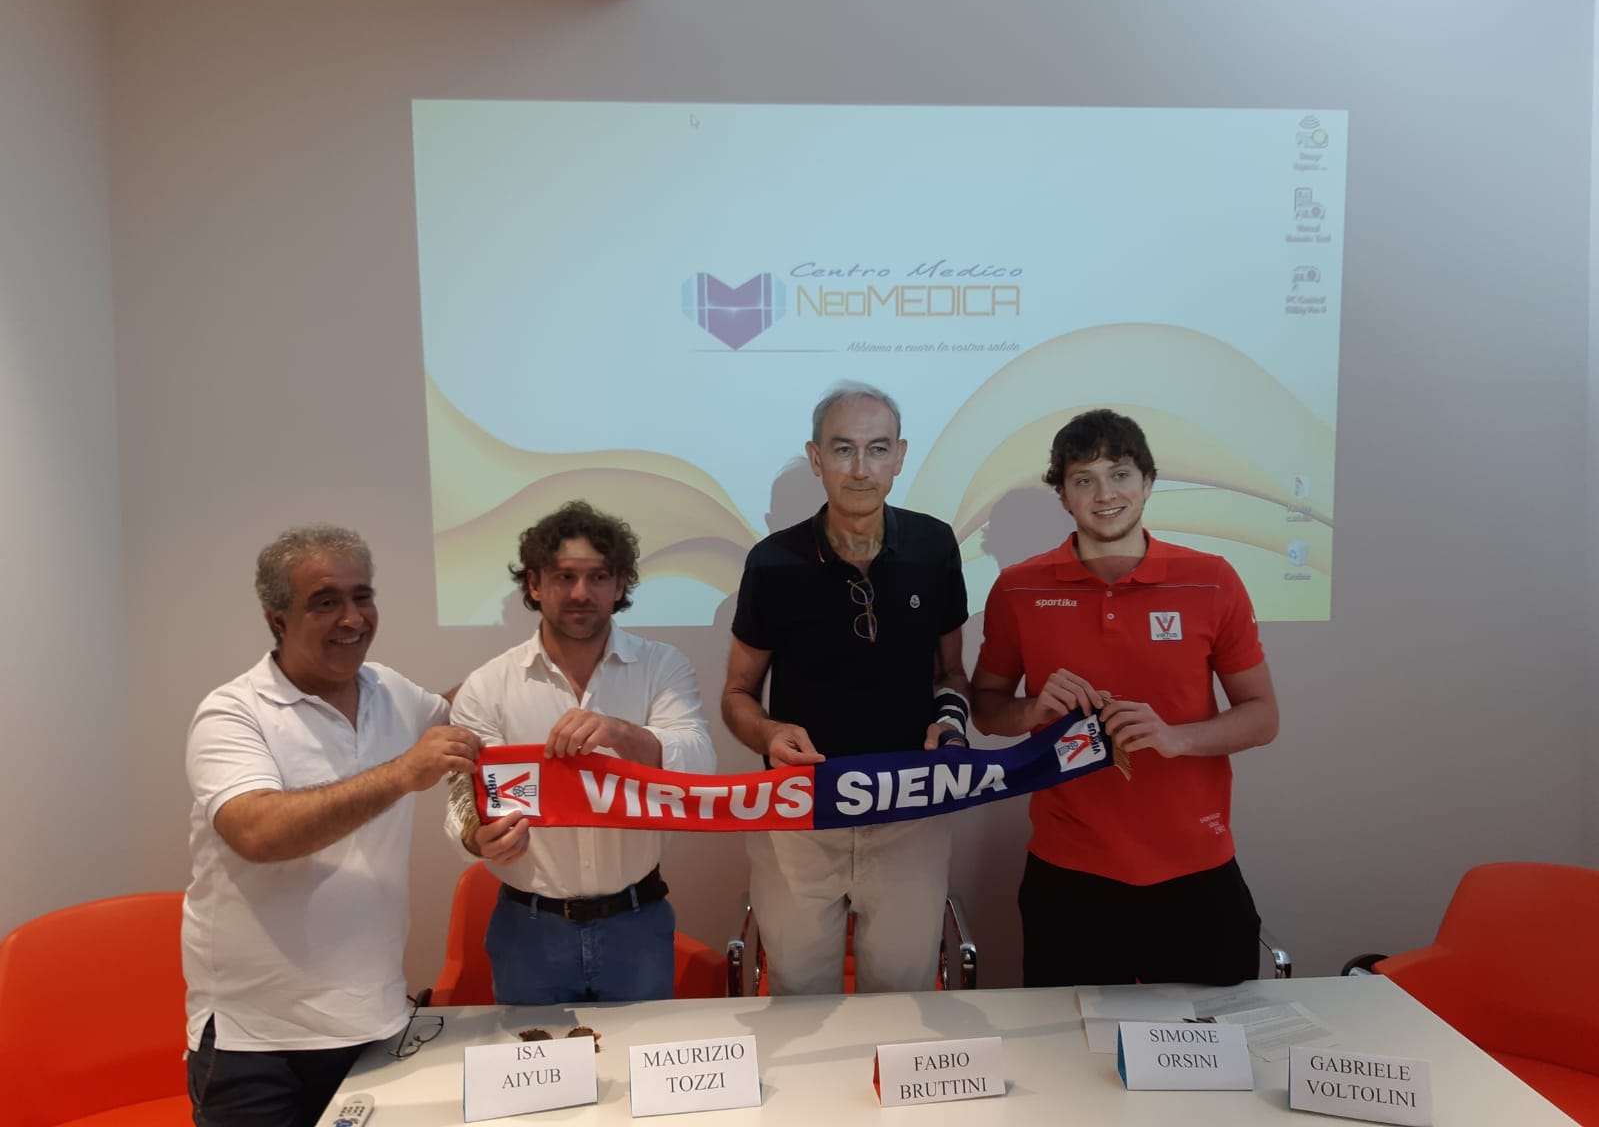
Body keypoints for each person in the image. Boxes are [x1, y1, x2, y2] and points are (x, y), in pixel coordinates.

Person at [183, 525, 480, 1126]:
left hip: (376, 1023)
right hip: (257, 1044)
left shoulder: (391, 692)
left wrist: (537, 660)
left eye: (361, 596)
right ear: (277, 619)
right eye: (325, 602)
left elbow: (469, 715)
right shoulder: (232, 712)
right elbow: (258, 834)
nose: (352, 618)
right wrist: (401, 773)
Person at [971, 409, 1279, 987]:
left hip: (1196, 867)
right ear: (1063, 496)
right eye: (1083, 479)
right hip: (1069, 873)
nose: (1105, 494)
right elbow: (986, 708)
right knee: (1067, 1040)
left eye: (1120, 474)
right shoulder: (1017, 588)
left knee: (1213, 1040)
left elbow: (1263, 717)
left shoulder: (1212, 579)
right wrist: (1033, 709)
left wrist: (1175, 737)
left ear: (1148, 482)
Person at [722, 381, 970, 994]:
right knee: (801, 1007)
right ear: (816, 458)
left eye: (877, 448)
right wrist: (769, 733)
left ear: (900, 456)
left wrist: (952, 722)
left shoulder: (935, 546)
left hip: (911, 814)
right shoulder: (771, 562)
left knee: (903, 1002)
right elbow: (737, 695)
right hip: (801, 818)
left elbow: (951, 674)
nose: (861, 468)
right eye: (842, 449)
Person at [445, 500, 715, 1004]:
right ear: (534, 584)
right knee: (533, 1058)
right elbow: (463, 800)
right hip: (527, 931)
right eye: (564, 576)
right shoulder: (487, 686)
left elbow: (699, 763)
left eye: (598, 577)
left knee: (644, 1056)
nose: (580, 593)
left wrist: (619, 732)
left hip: (637, 924)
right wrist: (477, 839)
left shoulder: (662, 667)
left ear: (620, 584)